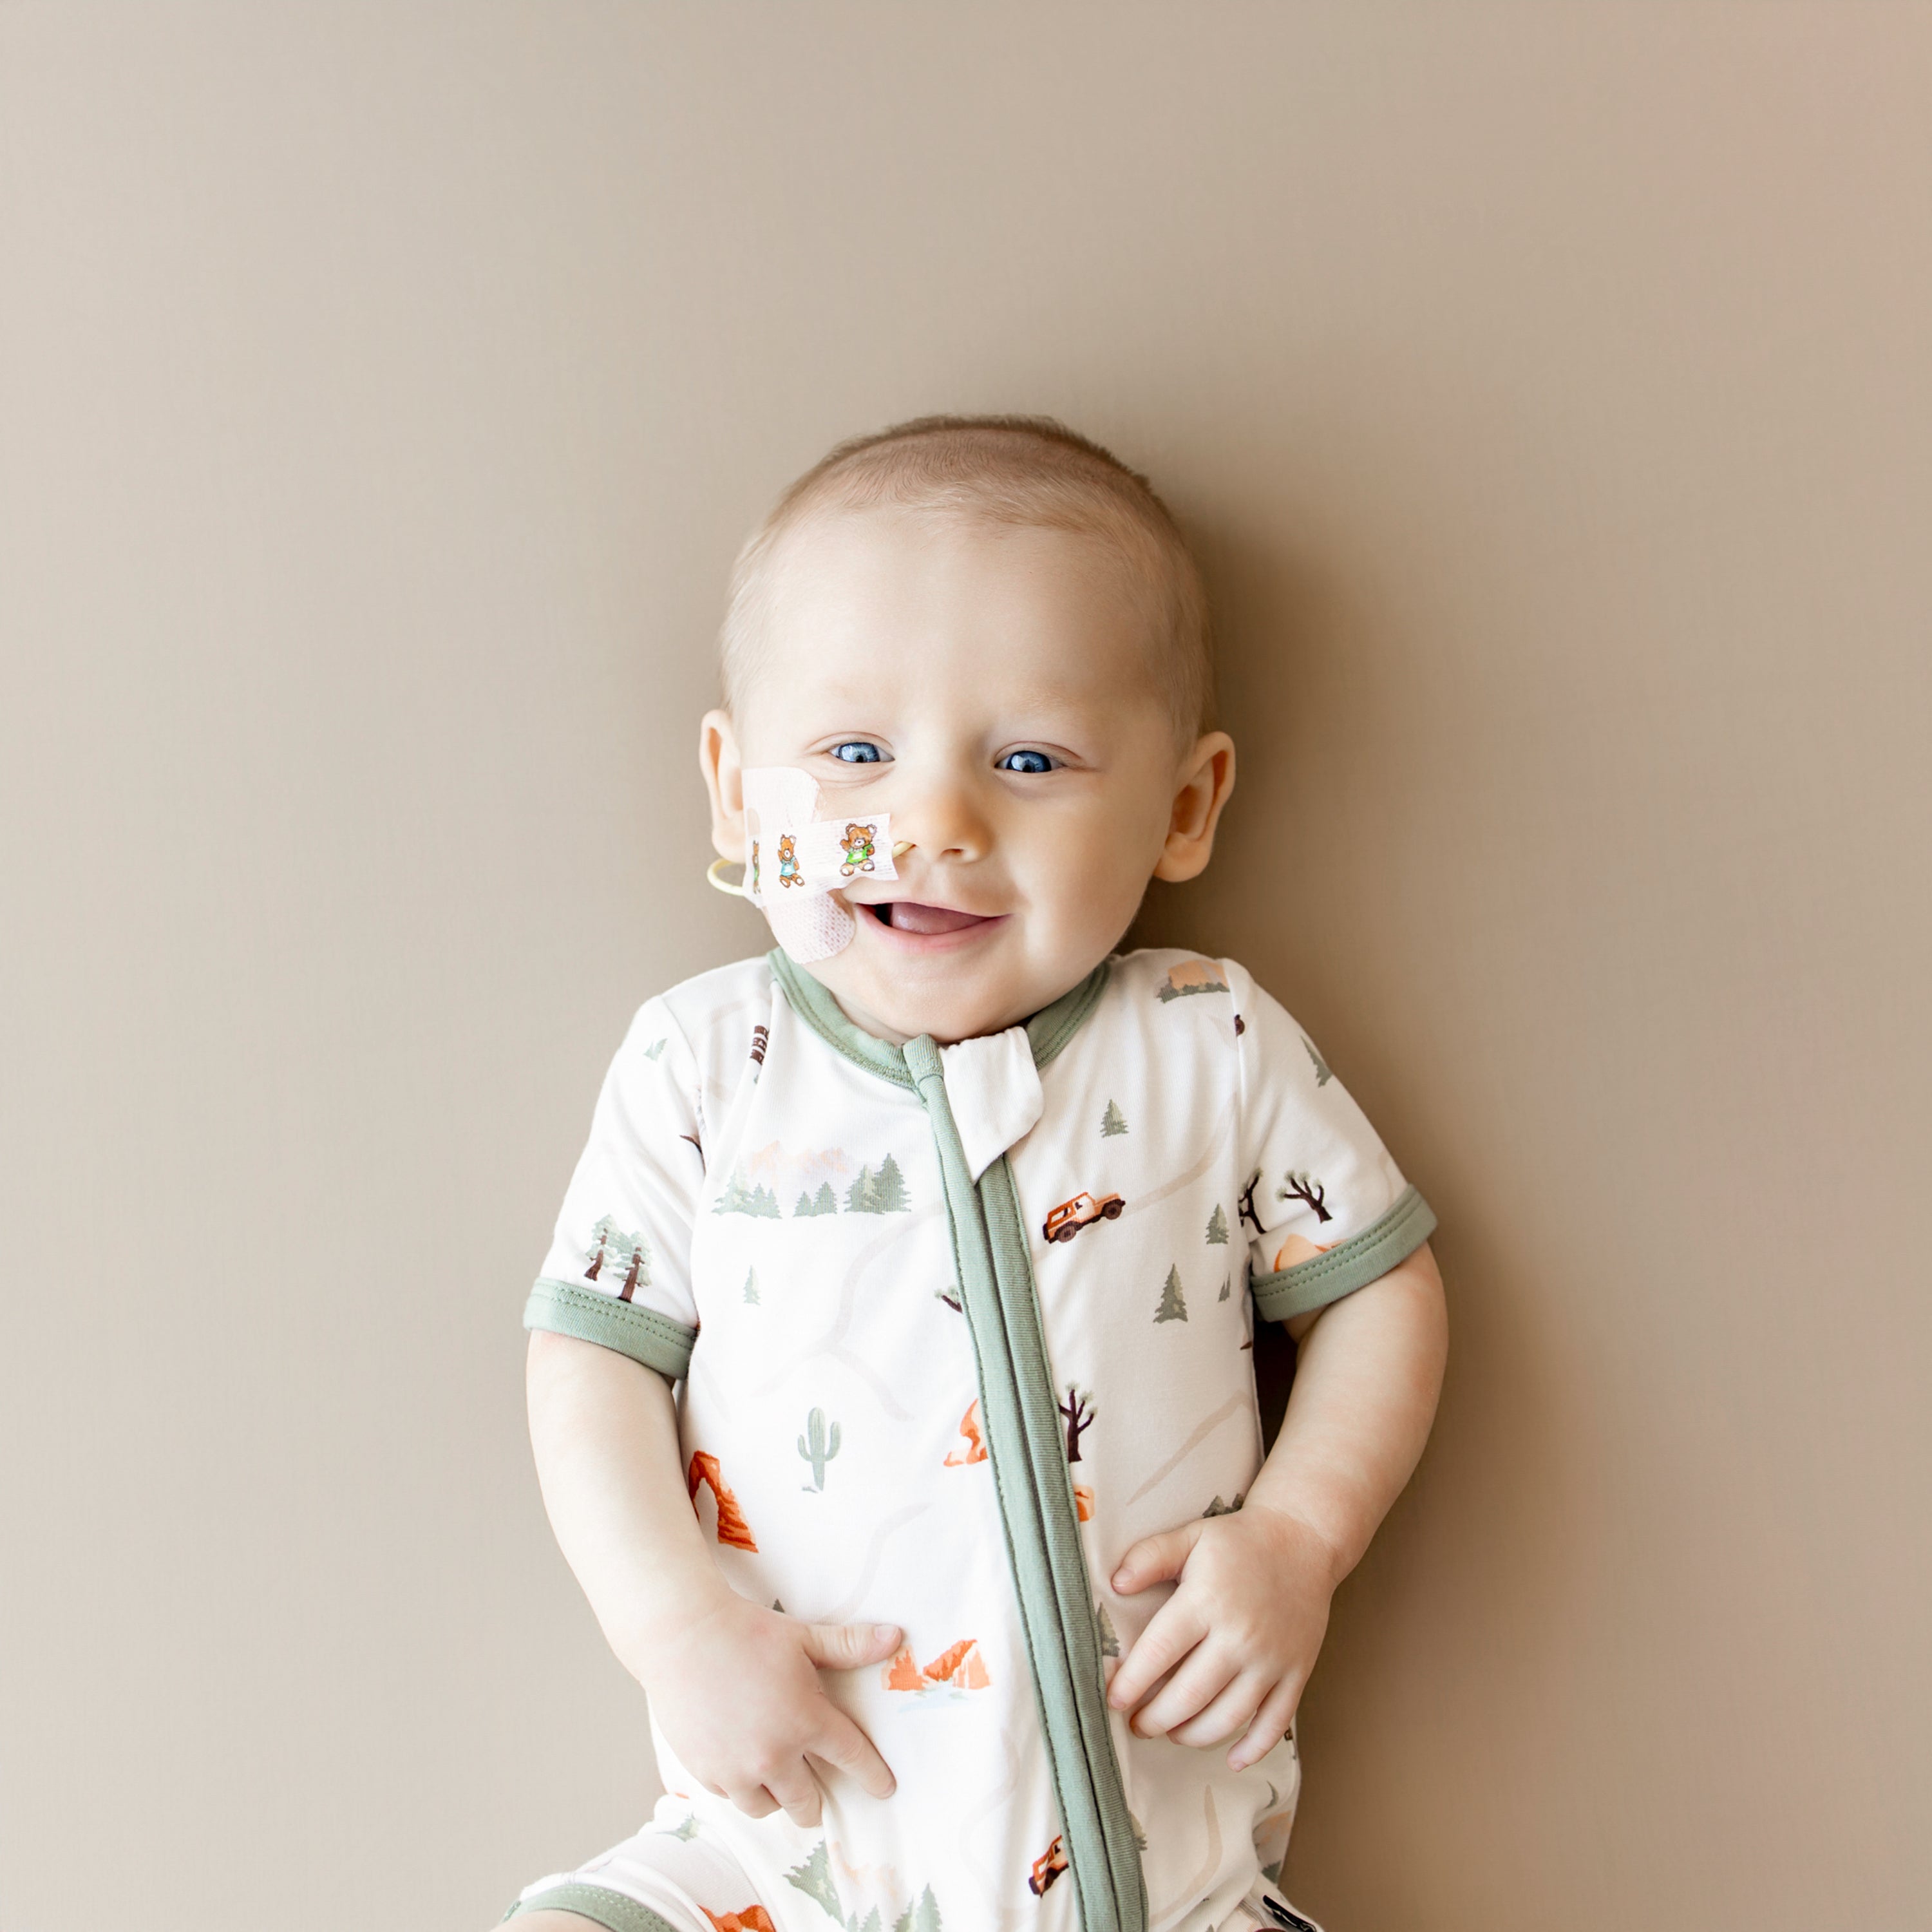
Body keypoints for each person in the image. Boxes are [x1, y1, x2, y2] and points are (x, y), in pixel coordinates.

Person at [501, 417, 1448, 1932]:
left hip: (1157, 1879)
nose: (935, 824)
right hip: (769, 1855)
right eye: (857, 755)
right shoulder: (707, 1064)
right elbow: (588, 1360)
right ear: (741, 793)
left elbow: (1382, 1291)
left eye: (1029, 760)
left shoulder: (1208, 1043)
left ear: (1186, 807)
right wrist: (670, 1624)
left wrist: (1295, 1540)